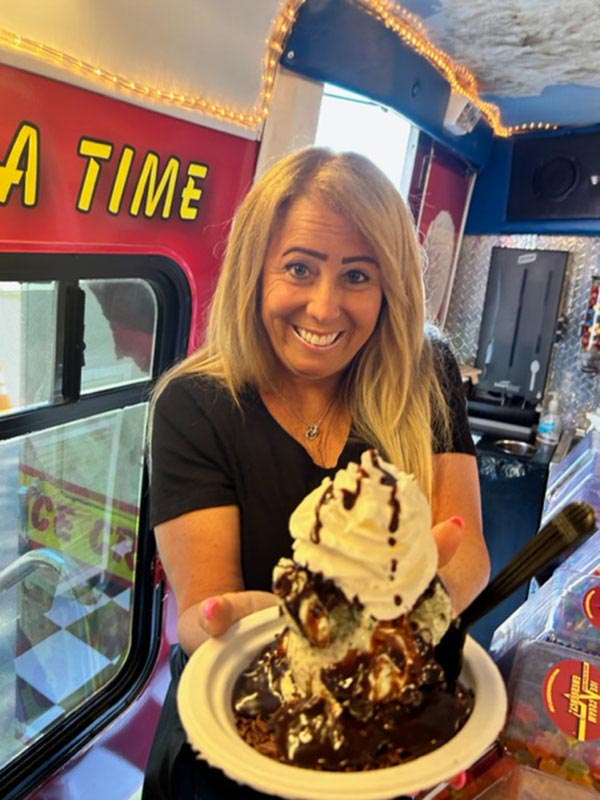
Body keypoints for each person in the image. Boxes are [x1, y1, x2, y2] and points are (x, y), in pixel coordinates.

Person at [142, 147, 490, 799]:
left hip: (377, 742)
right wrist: (224, 620)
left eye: (358, 276)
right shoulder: (194, 404)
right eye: (300, 268)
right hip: (235, 741)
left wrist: (384, 652)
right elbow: (202, 608)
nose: (325, 308)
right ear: (255, 270)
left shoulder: (426, 375)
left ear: (390, 286)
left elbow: (466, 548)